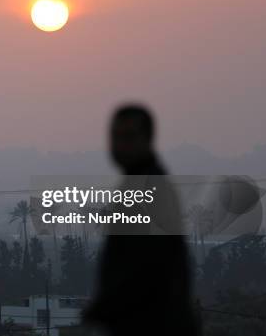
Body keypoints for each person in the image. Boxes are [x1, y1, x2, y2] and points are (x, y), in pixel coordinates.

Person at [83, 104, 199, 336]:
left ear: (147, 139)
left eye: (129, 137)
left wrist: (103, 308)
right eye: (115, 137)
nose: (120, 145)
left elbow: (147, 266)